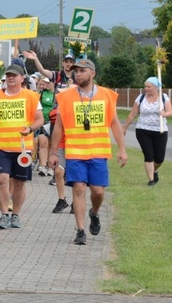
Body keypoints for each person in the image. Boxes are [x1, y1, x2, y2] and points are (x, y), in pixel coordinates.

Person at [49, 58, 127, 245]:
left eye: (83, 71)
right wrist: (53, 152)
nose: (78, 74)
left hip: (98, 152)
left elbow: (114, 123)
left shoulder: (107, 95)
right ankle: (81, 230)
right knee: (79, 188)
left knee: (98, 192)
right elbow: (58, 126)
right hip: (75, 152)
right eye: (76, 71)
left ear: (93, 73)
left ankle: (95, 213)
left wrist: (122, 149)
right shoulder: (66, 97)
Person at [0, 63, 43, 230]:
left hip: (23, 148)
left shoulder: (31, 96)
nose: (11, 78)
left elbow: (40, 119)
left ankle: (16, 215)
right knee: (2, 179)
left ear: (22, 78)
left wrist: (30, 128)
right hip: (1, 147)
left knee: (20, 183)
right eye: (8, 75)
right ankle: (4, 215)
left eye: (14, 75)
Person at [122, 77, 172, 186]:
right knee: (149, 155)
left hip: (160, 130)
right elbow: (132, 114)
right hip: (142, 130)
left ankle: (154, 170)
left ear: (156, 87)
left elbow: (170, 112)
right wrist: (124, 127)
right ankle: (151, 180)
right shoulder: (140, 98)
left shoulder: (163, 98)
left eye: (148, 87)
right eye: (145, 86)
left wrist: (164, 113)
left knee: (159, 158)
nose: (146, 88)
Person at [35, 76, 55, 176]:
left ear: (53, 83)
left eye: (48, 83)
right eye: (45, 83)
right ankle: (42, 166)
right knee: (43, 143)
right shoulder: (42, 93)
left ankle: (51, 167)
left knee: (52, 145)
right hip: (44, 121)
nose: (46, 85)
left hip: (54, 122)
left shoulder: (57, 94)